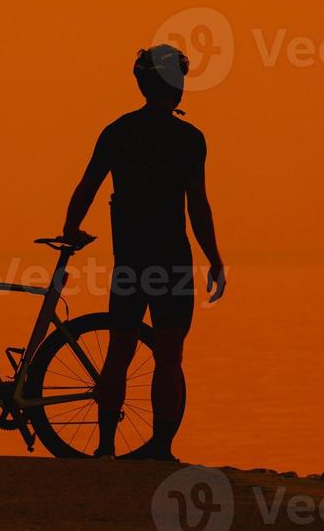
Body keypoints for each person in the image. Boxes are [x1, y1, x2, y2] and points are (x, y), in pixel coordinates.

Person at [60, 44, 225, 461]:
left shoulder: (118, 131)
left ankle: (105, 447)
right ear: (178, 86)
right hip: (171, 261)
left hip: (130, 261)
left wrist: (70, 229)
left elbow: (87, 186)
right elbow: (197, 206)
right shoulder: (189, 139)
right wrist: (215, 259)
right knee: (169, 357)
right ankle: (162, 449)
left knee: (120, 350)